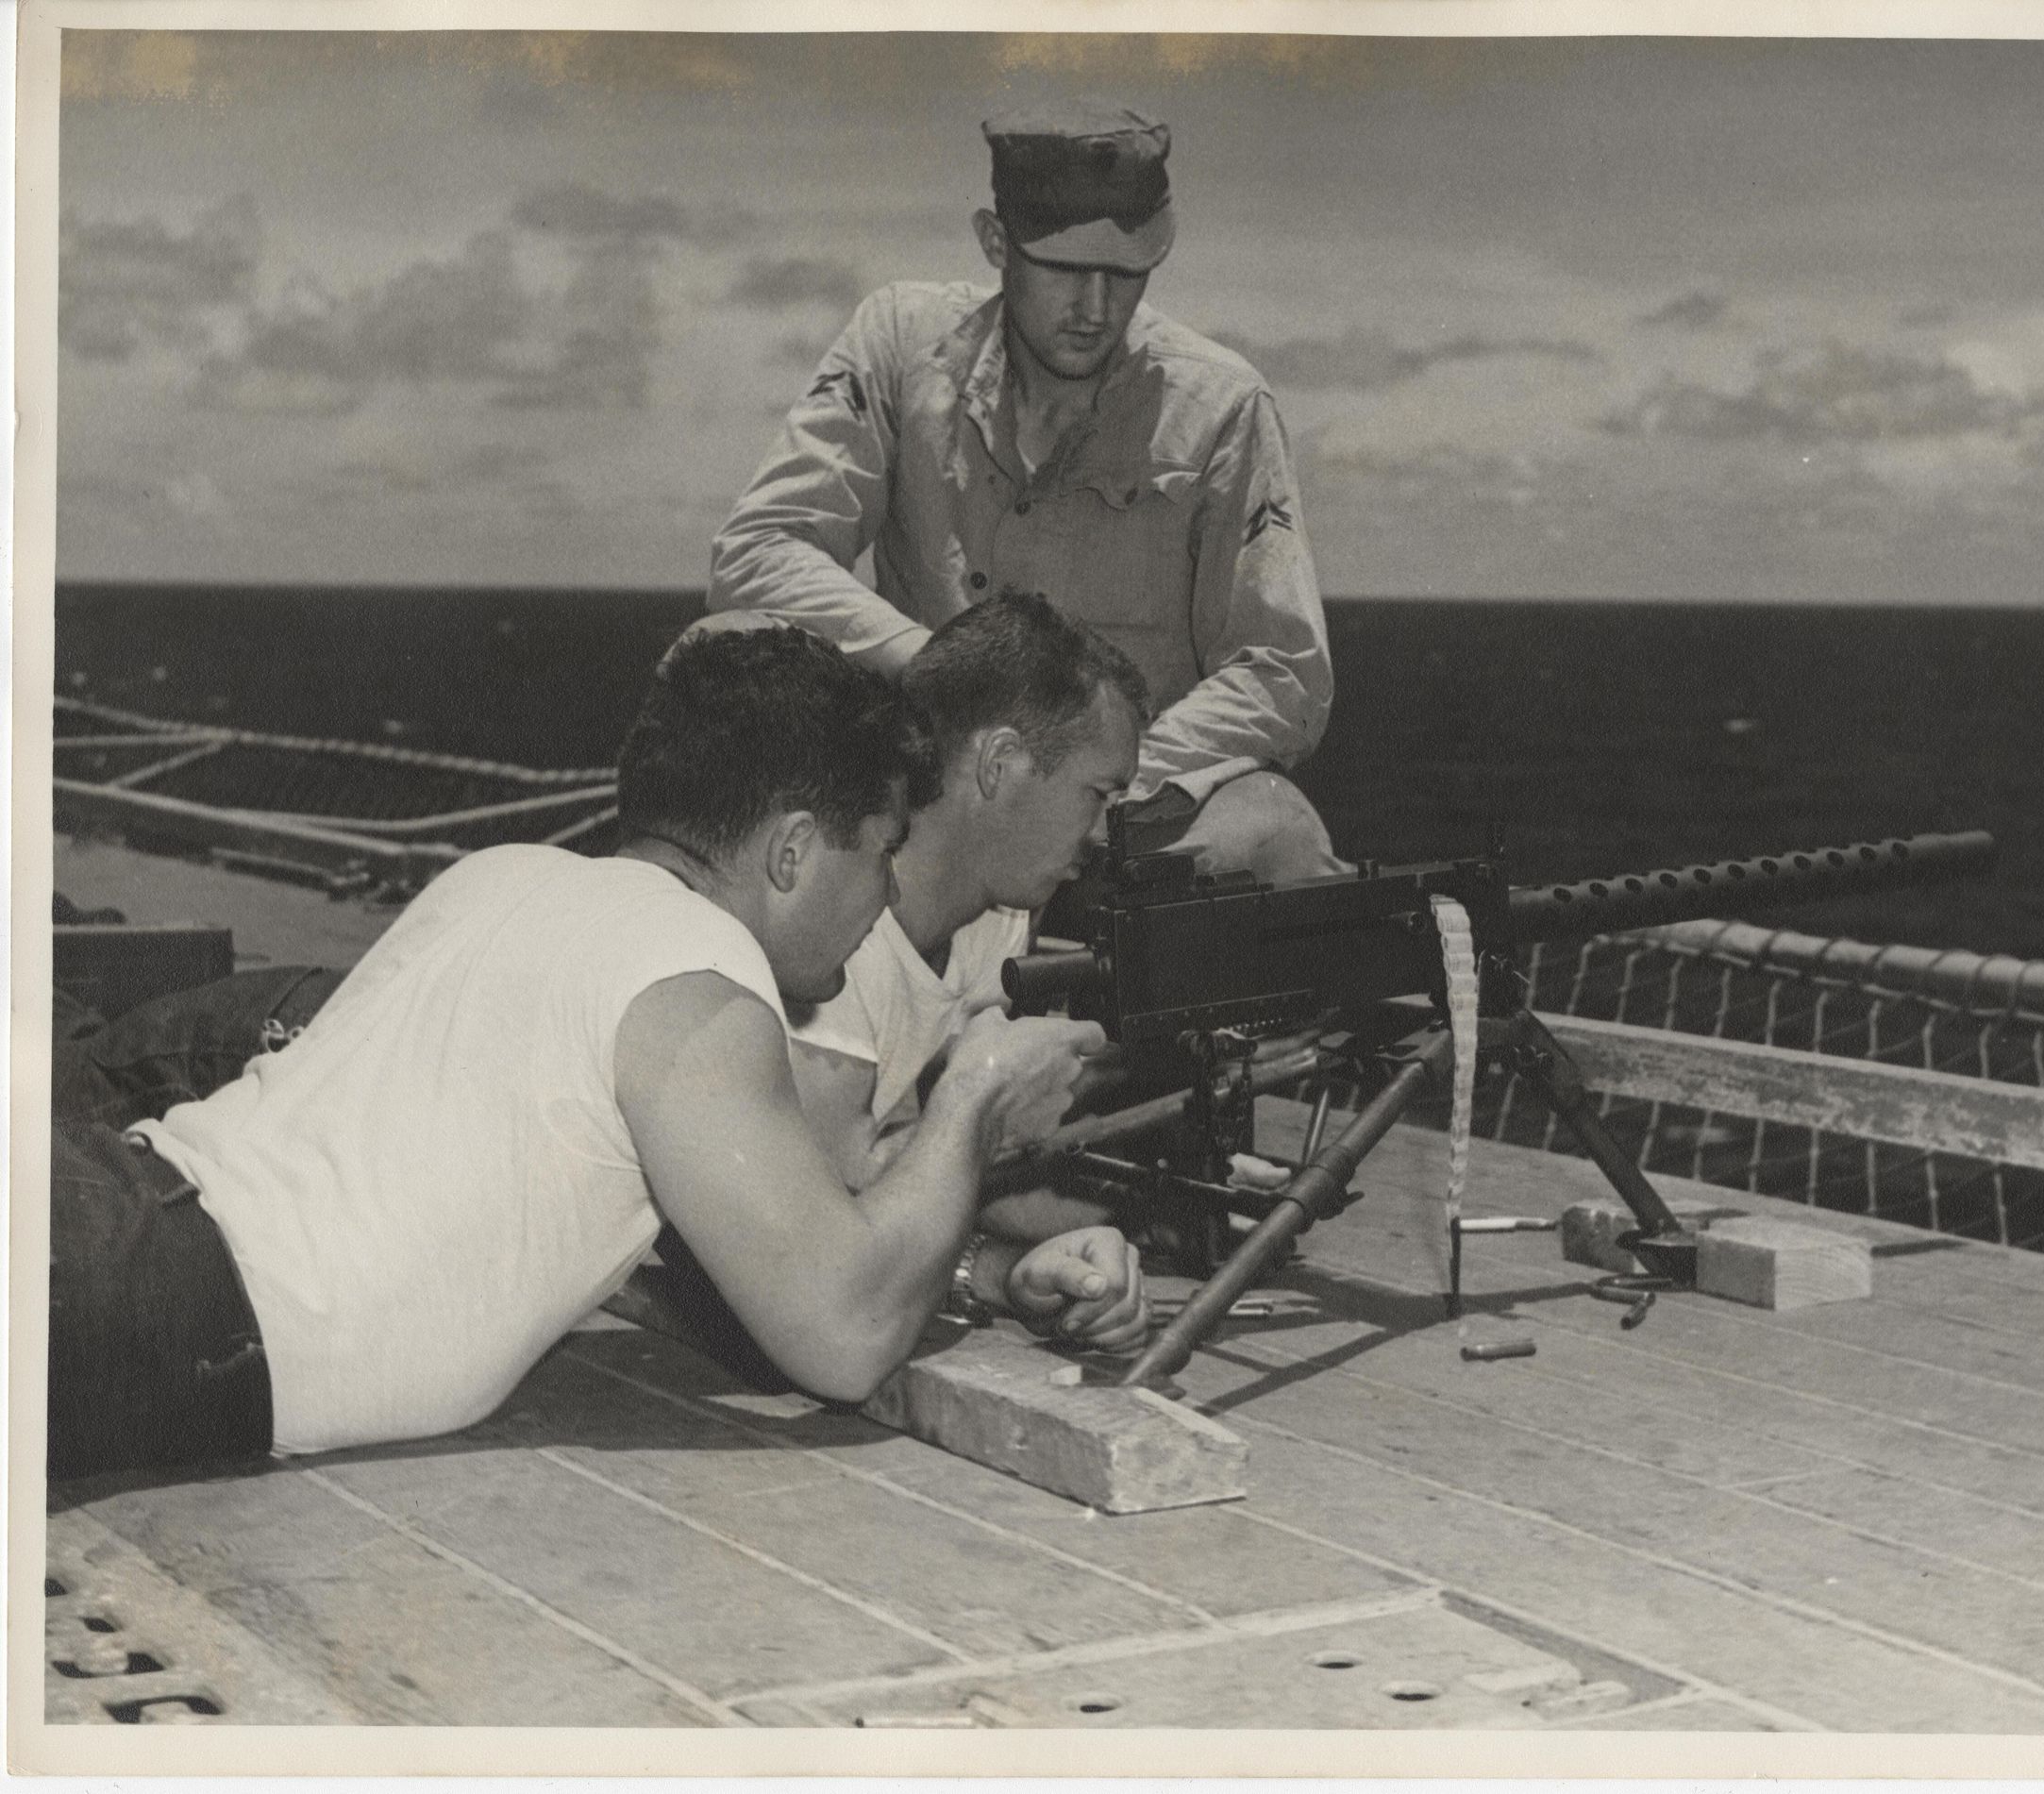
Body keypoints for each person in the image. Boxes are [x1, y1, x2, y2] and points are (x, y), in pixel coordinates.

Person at [48, 629, 1147, 1485]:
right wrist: (977, 1094)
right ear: (795, 849)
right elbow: (843, 1331)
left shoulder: (510, 876)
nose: (881, 901)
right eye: (879, 855)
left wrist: (986, 1269)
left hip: (116, 1216)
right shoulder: (700, 976)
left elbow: (760, 1248)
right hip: (149, 1297)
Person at [706, 100, 1347, 887]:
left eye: (1124, 273)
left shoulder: (1223, 409)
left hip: (1129, 810)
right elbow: (757, 553)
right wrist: (941, 671)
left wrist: (1095, 778)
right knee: (708, 669)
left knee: (1280, 832)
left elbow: (1283, 671)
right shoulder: (900, 346)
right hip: (929, 792)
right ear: (996, 242)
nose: (1096, 308)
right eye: (1065, 269)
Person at [787, 590, 1146, 1212]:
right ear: (999, 763)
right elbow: (825, 1204)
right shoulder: (831, 927)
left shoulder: (996, 917)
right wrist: (987, 1099)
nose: (1102, 835)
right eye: (1099, 794)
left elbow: (941, 1167)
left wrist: (1156, 1197)